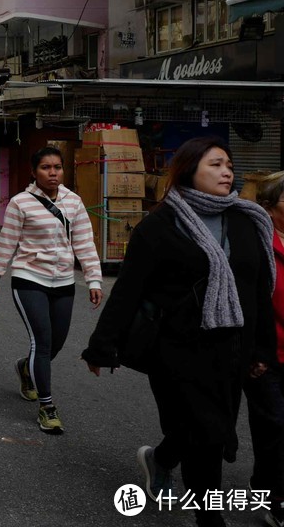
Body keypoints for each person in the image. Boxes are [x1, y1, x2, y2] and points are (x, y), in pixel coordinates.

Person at [82, 136, 275, 527]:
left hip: (232, 347)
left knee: (203, 429)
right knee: (207, 434)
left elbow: (258, 291)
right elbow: (130, 289)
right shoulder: (161, 225)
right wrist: (102, 346)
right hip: (177, 349)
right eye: (216, 165)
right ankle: (210, 519)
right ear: (190, 170)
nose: (227, 172)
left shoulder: (246, 220)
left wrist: (261, 350)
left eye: (229, 165)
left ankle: (162, 458)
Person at [0, 146, 103, 435]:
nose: (53, 173)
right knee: (43, 341)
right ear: (34, 172)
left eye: (57, 167)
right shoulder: (20, 203)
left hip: (63, 281)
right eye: (46, 168)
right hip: (29, 278)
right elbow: (7, 241)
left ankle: (26, 368)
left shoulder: (73, 202)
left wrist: (94, 279)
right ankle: (47, 407)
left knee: (56, 344)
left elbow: (85, 243)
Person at [246, 171, 284, 526]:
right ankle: (272, 496)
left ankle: (265, 485)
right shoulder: (256, 242)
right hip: (266, 353)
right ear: (271, 207)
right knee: (273, 425)